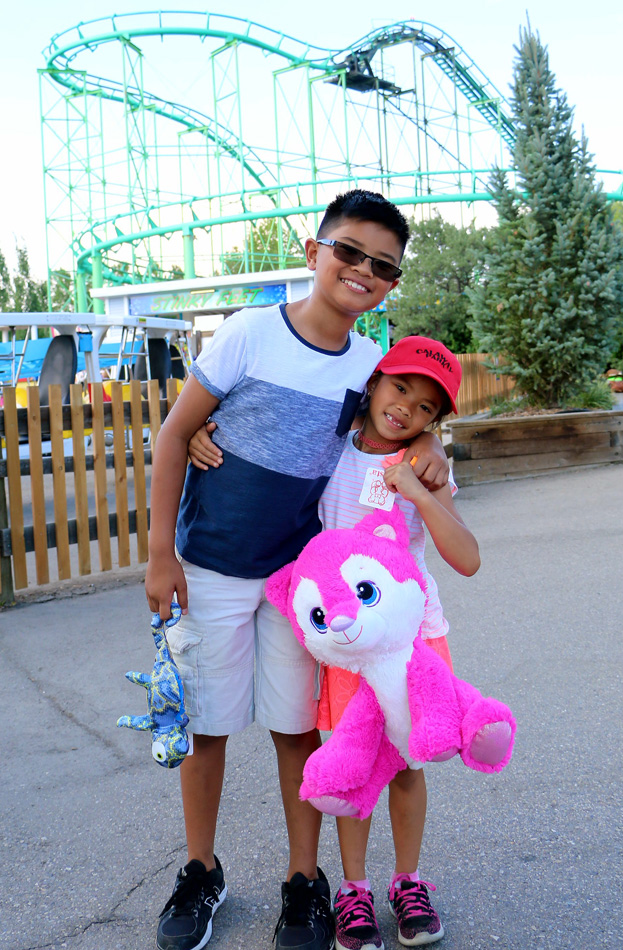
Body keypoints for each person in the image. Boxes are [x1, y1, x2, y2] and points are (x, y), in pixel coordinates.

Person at [145, 190, 450, 950]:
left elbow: (402, 419)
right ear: (315, 253)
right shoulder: (250, 334)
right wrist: (158, 555)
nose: (362, 270)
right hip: (210, 566)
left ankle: (304, 880)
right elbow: (175, 434)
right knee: (206, 727)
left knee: (295, 732)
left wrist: (437, 448)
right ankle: (199, 868)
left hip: (300, 586)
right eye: (348, 251)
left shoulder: (365, 369)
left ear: (389, 284)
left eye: (381, 266)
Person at [190, 335, 479, 950]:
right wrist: (202, 429)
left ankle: (408, 881)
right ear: (373, 384)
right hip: (344, 644)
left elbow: (468, 558)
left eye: (427, 408)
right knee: (354, 760)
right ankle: (352, 890)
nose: (407, 410)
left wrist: (423, 489)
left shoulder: (425, 466)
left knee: (404, 764)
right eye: (401, 388)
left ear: (436, 422)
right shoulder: (332, 452)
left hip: (410, 641)